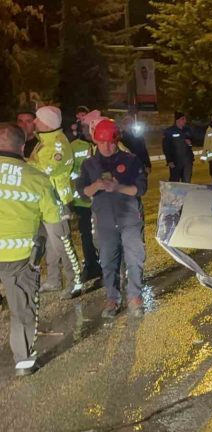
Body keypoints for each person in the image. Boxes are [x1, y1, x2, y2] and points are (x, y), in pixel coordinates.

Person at [0, 123, 63, 376]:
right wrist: (57, 258)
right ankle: (24, 363)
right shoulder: (37, 178)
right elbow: (55, 226)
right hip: (20, 259)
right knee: (22, 310)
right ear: (23, 145)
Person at [77, 118, 147, 319]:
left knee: (135, 258)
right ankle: (112, 298)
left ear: (116, 140)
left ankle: (135, 297)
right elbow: (83, 192)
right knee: (108, 261)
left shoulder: (131, 160)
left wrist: (118, 188)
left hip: (130, 218)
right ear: (95, 141)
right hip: (105, 221)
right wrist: (96, 186)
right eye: (102, 142)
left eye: (111, 141)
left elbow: (140, 189)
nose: (107, 146)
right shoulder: (89, 164)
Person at [29, 106, 83, 296]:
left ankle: (75, 282)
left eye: (37, 119)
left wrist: (24, 170)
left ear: (47, 122)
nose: (34, 122)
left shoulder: (57, 144)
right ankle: (54, 280)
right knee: (51, 246)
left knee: (63, 246)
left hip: (56, 202)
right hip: (44, 202)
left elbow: (43, 171)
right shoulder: (45, 141)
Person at [69, 122, 101, 282]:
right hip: (83, 200)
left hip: (101, 200)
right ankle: (91, 266)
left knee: (103, 234)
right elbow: (69, 171)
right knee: (86, 234)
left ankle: (107, 265)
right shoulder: (73, 146)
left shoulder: (102, 145)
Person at [162, 111, 194, 182]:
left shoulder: (188, 130)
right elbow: (166, 147)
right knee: (175, 182)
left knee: (187, 182)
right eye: (183, 119)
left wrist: (190, 143)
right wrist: (169, 160)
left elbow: (194, 141)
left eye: (185, 119)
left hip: (187, 162)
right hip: (175, 162)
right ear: (177, 120)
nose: (185, 121)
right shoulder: (169, 131)